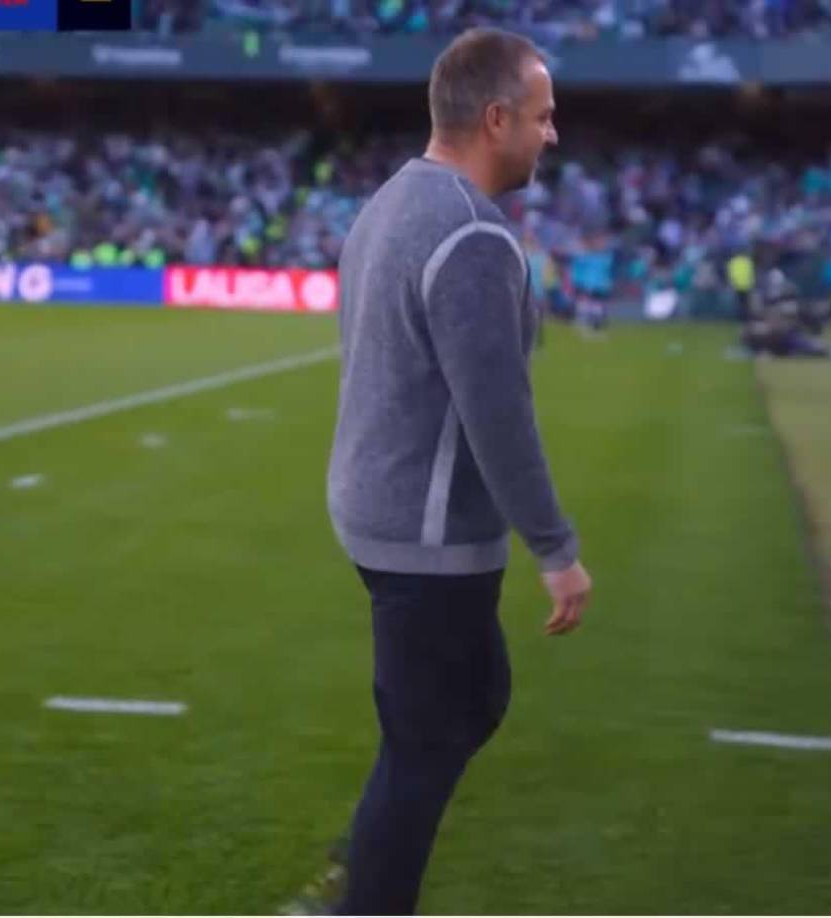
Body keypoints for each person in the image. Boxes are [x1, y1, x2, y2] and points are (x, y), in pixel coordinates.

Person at [325, 28, 593, 915]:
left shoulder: (390, 202)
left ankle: (365, 853)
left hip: (377, 507)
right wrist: (555, 547)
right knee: (427, 742)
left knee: (472, 699)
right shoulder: (472, 236)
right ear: (495, 118)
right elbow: (497, 414)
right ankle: (363, 887)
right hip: (425, 530)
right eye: (544, 117)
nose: (552, 135)